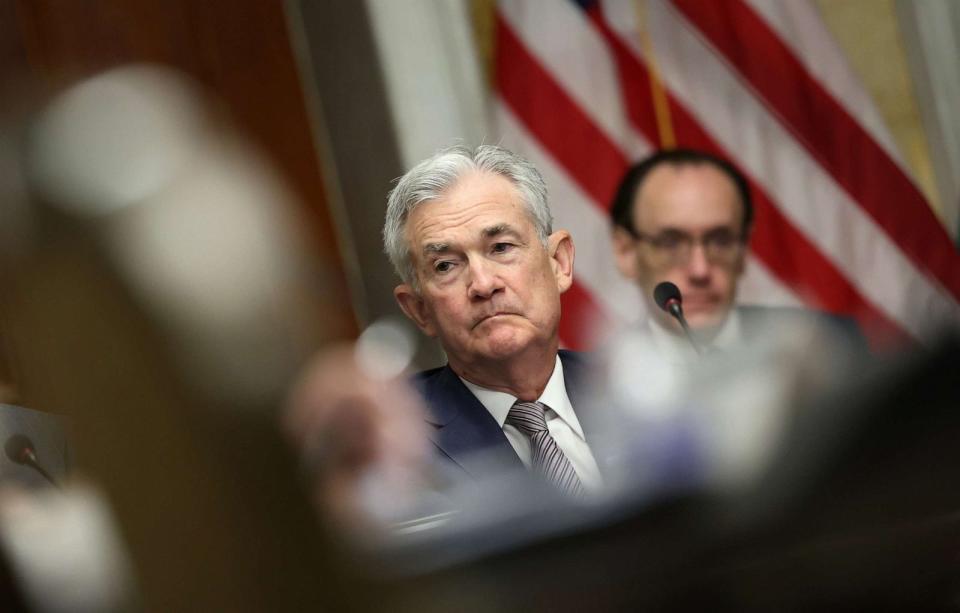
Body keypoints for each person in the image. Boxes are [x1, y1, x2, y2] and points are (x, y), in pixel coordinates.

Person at [285, 145, 603, 531]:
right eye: (446, 265)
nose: (483, 284)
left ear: (559, 263)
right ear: (418, 309)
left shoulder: (627, 387)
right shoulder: (393, 439)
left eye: (501, 247)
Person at [609, 148, 864, 360]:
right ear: (626, 252)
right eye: (671, 243)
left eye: (720, 241)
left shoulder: (828, 348)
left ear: (743, 249)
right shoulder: (588, 389)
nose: (700, 270)